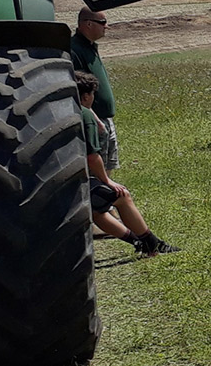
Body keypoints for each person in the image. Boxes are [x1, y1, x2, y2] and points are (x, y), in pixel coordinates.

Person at [76, 73, 178, 258]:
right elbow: (92, 156)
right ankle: (151, 243)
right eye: (92, 95)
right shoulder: (83, 114)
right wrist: (107, 180)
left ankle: (139, 243)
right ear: (85, 97)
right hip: (74, 185)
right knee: (121, 195)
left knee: (97, 209)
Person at [68, 8, 120, 172]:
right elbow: (78, 91)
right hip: (94, 121)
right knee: (97, 172)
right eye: (102, 22)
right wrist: (95, 120)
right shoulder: (74, 49)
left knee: (107, 170)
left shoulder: (90, 47)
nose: (106, 26)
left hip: (105, 120)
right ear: (88, 24)